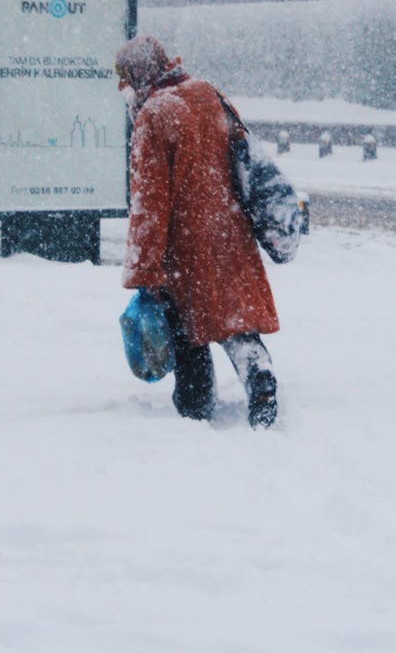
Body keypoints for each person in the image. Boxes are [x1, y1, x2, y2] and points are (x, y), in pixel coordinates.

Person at [115, 34, 283, 428]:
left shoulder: (154, 115)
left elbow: (148, 204)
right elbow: (242, 152)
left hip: (183, 245)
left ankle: (195, 407)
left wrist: (145, 270)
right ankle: (258, 375)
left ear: (140, 75)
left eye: (126, 79)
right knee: (234, 317)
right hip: (229, 229)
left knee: (186, 329)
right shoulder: (207, 92)